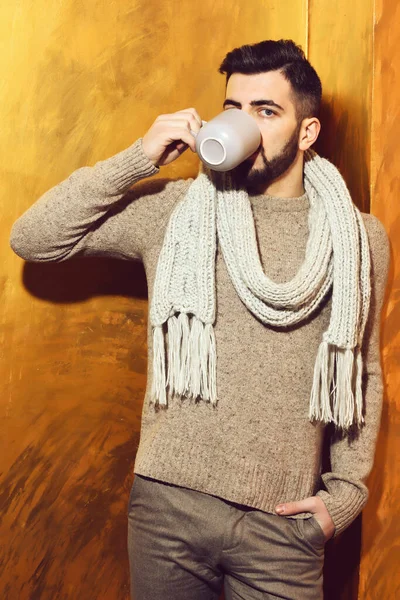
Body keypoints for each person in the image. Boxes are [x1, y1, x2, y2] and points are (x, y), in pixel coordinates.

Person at [10, 39, 390, 600]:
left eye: (266, 111)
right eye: (233, 108)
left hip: (283, 530)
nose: (245, 124)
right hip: (168, 511)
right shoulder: (177, 210)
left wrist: (342, 500)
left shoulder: (358, 239)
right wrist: (140, 157)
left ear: (307, 132)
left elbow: (360, 373)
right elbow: (34, 238)